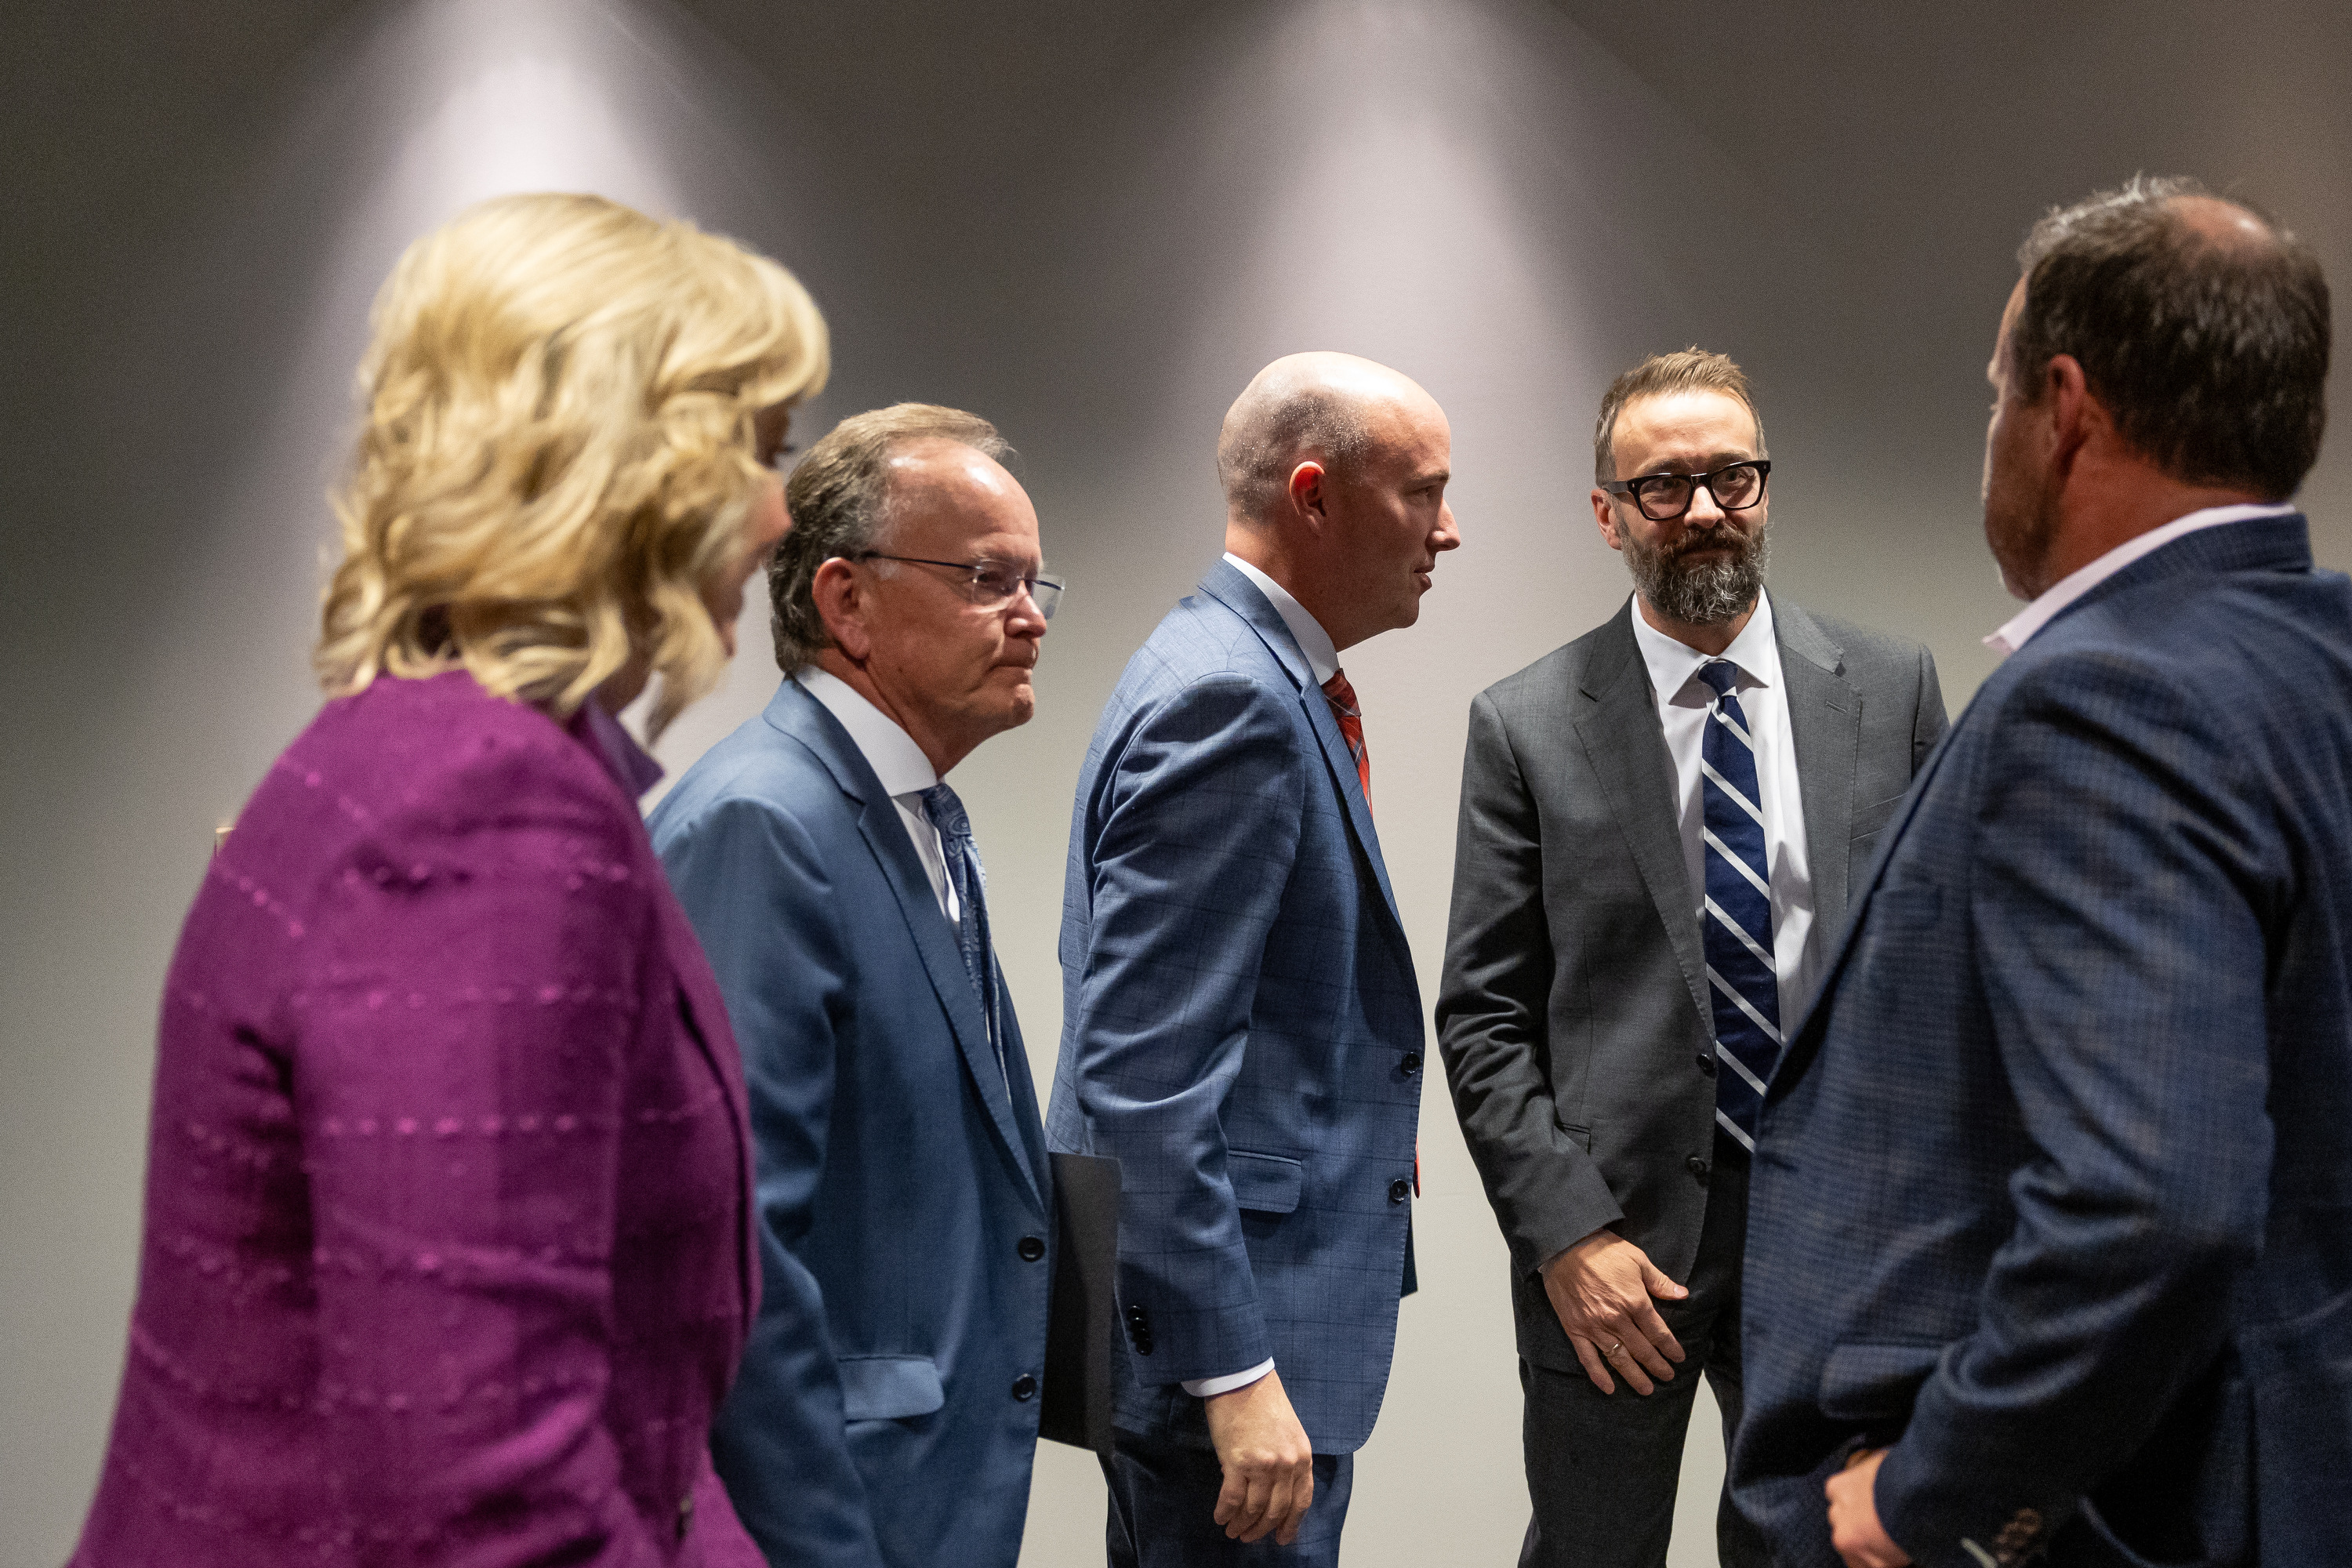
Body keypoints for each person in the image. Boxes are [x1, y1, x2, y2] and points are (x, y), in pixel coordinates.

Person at [67, 192, 829, 1566]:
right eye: (759, 453)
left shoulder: (418, 751)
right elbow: (486, 1502)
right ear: (628, 470)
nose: (781, 513)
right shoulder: (486, 813)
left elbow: (627, 1435)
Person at [1732, 177, 2350, 1568]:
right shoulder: (2321, 664)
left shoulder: (2106, 703)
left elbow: (2155, 1203)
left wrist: (1938, 1494)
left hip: (2121, 1516)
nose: (1994, 434)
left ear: (2064, 409)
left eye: (1996, 392)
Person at [1436, 348, 1946, 1568]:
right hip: (1619, 1258)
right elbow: (1484, 1015)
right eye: (1665, 487)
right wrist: (1564, 1237)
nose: (1707, 509)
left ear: (1766, 489)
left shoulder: (1889, 688)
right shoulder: (1527, 722)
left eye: (1733, 477)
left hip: (1847, 1240)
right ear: (1608, 514)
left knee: (1833, 1552)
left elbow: (1943, 981)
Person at [1047, 351, 1457, 1566]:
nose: (1451, 531)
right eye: (1424, 494)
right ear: (1316, 497)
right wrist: (1231, 1368)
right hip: (1227, 1363)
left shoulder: (1234, 671)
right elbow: (1143, 1075)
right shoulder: (1230, 702)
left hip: (1232, 1337)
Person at [649, 404, 1058, 1568]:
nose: (1030, 617)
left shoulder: (923, 815)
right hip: (832, 1516)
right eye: (987, 578)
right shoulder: (760, 825)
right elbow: (729, 1248)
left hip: (932, 1490)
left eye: (1036, 582)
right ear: (846, 601)